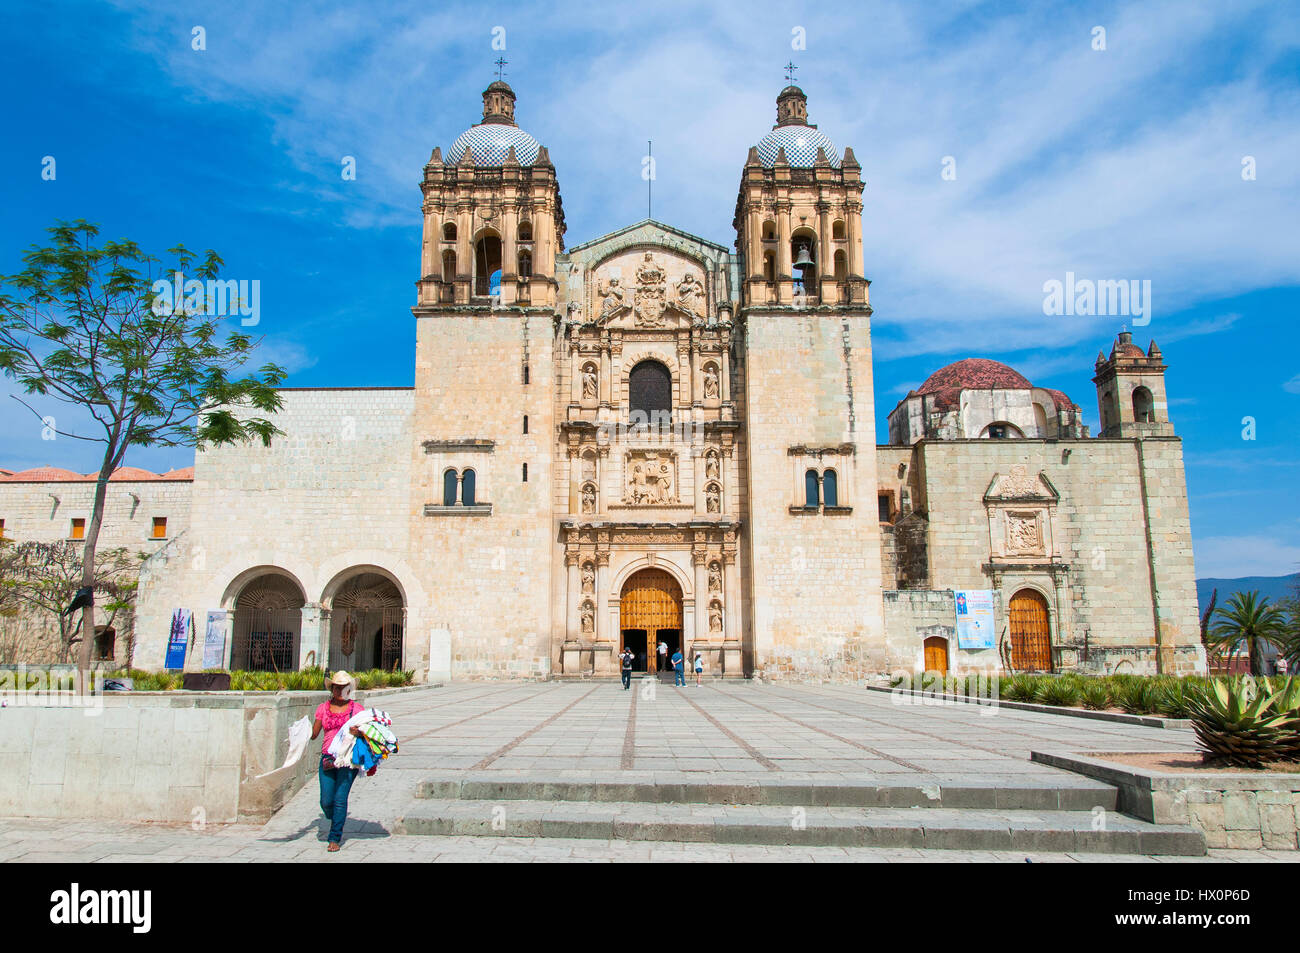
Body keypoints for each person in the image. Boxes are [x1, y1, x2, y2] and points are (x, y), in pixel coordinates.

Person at [311, 671, 365, 852]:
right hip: (328, 757)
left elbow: (368, 732)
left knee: (340, 799)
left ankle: (334, 837)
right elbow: (314, 734)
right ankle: (336, 819)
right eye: (337, 687)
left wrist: (360, 732)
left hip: (348, 759)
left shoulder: (356, 710)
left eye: (344, 687)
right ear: (332, 689)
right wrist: (298, 732)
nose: (340, 690)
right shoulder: (323, 708)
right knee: (326, 801)